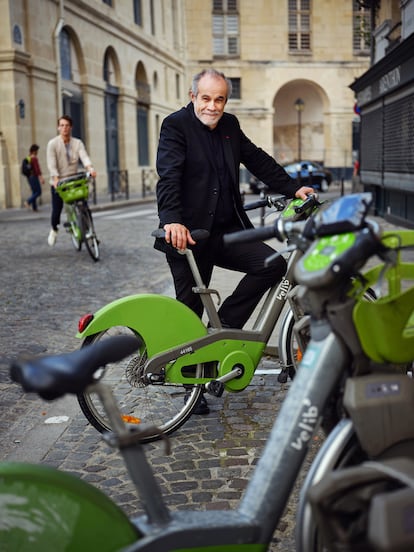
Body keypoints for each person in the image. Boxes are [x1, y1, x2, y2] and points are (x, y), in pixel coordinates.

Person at [155, 68, 314, 414]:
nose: (213, 106)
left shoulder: (229, 126)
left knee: (272, 264)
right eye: (206, 98)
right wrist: (172, 221)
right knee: (188, 310)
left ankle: (225, 328)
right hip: (189, 237)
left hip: (226, 231)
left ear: (225, 100)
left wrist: (292, 188)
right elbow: (168, 176)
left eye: (220, 99)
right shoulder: (175, 126)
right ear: (192, 95)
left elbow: (257, 159)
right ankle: (191, 390)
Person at [46, 115, 96, 246]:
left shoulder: (77, 143)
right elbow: (51, 163)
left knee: (84, 206)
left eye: (67, 125)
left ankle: (90, 231)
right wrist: (55, 178)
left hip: (74, 180)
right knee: (56, 210)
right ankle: (54, 229)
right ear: (58, 128)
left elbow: (84, 157)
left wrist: (90, 168)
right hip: (59, 182)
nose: (64, 128)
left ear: (71, 127)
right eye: (62, 125)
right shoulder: (52, 144)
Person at [24, 144, 44, 212]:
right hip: (34, 177)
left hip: (29, 177)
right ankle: (28, 201)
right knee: (38, 192)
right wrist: (41, 178)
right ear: (34, 151)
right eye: (37, 150)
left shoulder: (28, 157)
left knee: (34, 192)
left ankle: (34, 208)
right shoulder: (34, 158)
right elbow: (37, 169)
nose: (37, 152)